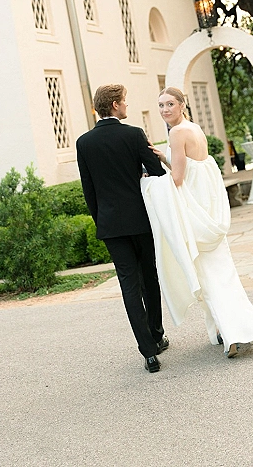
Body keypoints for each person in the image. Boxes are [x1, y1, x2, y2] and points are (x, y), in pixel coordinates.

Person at [142, 86, 253, 358]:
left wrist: (149, 184)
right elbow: (197, 168)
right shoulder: (195, 129)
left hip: (195, 216)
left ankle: (232, 337)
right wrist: (163, 157)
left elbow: (177, 179)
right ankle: (236, 329)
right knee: (225, 276)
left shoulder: (176, 133)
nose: (165, 110)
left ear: (181, 105)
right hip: (208, 211)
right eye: (161, 105)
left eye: (169, 104)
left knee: (208, 279)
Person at [76, 84, 169, 373]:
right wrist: (142, 170)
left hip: (110, 225)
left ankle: (148, 352)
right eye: (125, 101)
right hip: (140, 220)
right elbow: (156, 171)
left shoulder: (83, 142)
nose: (127, 106)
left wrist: (101, 221)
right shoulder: (133, 134)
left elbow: (88, 190)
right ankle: (156, 334)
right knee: (149, 276)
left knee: (129, 284)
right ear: (115, 105)